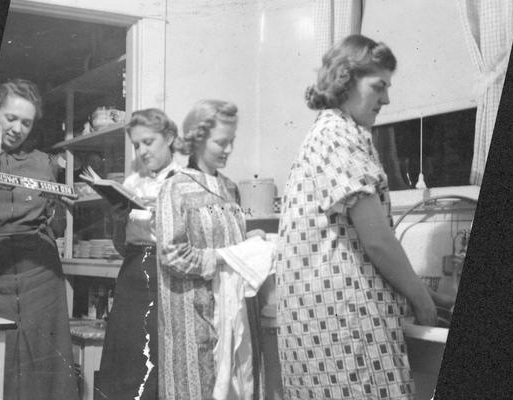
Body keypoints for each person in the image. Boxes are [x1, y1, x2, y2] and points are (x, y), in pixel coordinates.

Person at [275, 35, 443, 399]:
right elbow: (377, 240)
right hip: (347, 327)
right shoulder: (339, 135)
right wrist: (423, 301)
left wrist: (416, 288)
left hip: (324, 326)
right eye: (379, 87)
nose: (387, 99)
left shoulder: (329, 131)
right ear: (346, 80)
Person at [156, 100, 264, 400]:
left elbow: (230, 239)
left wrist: (249, 239)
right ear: (197, 138)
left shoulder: (230, 188)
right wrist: (223, 257)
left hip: (232, 311)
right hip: (191, 315)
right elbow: (171, 253)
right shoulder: (174, 187)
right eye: (221, 142)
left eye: (231, 142)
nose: (228, 150)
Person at [0, 79, 78, 400]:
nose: (17, 129)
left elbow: (57, 225)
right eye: (11, 118)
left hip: (42, 279)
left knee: (46, 370)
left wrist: (63, 210)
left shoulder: (43, 163)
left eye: (26, 122)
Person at [97, 108, 181, 400]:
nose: (142, 151)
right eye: (137, 145)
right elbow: (122, 247)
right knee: (127, 356)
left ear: (169, 137)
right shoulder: (131, 183)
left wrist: (162, 216)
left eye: (149, 142)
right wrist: (118, 218)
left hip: (168, 273)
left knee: (160, 356)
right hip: (133, 273)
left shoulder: (184, 181)